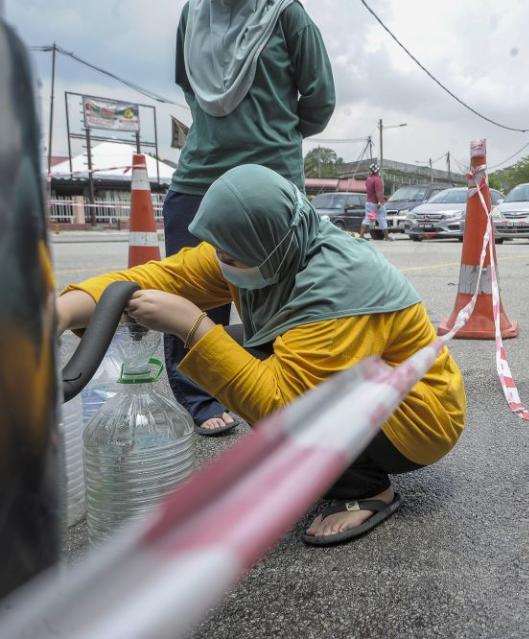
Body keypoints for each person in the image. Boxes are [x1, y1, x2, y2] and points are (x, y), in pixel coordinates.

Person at [57, 165, 465, 546]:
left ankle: (367, 489)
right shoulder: (270, 243)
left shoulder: (340, 283)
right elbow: (160, 277)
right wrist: (61, 312)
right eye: (219, 252)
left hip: (417, 420)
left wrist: (193, 325)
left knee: (224, 355)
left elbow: (281, 407)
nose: (222, 264)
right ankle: (323, 470)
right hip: (368, 386)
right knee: (232, 349)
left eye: (231, 258)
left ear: (267, 247)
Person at [164, 0, 336, 436]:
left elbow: (320, 97)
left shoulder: (286, 13)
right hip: (199, 174)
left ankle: (284, 395)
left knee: (284, 294)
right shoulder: (193, 13)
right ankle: (199, 397)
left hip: (271, 176)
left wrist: (271, 129)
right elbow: (190, 85)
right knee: (191, 290)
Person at [361, 163, 390, 240]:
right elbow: (378, 192)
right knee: (382, 218)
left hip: (369, 203)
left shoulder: (368, 179)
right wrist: (381, 202)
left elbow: (372, 191)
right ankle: (386, 237)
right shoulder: (377, 180)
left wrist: (383, 197)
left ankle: (361, 235)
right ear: (377, 171)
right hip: (376, 204)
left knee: (368, 218)